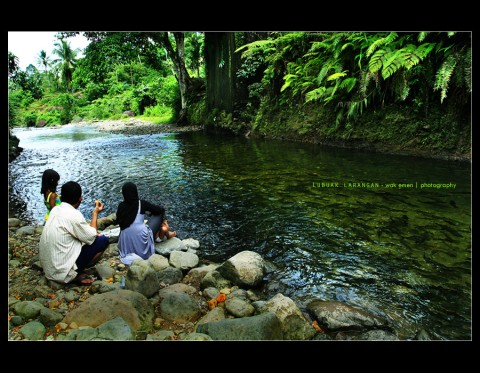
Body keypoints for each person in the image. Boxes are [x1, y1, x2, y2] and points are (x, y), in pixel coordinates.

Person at [39, 181, 110, 285]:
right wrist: (95, 213)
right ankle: (75, 274)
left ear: (61, 197)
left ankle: (72, 270)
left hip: (48, 270)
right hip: (61, 273)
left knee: (86, 237)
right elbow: (91, 236)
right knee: (102, 240)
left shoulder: (55, 210)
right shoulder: (74, 214)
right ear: (80, 199)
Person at [116, 181, 176, 265]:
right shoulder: (141, 203)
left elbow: (119, 221)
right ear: (135, 192)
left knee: (148, 219)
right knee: (160, 212)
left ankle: (164, 232)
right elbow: (158, 210)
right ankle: (163, 233)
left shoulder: (121, 206)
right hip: (141, 239)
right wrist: (151, 213)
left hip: (125, 241)